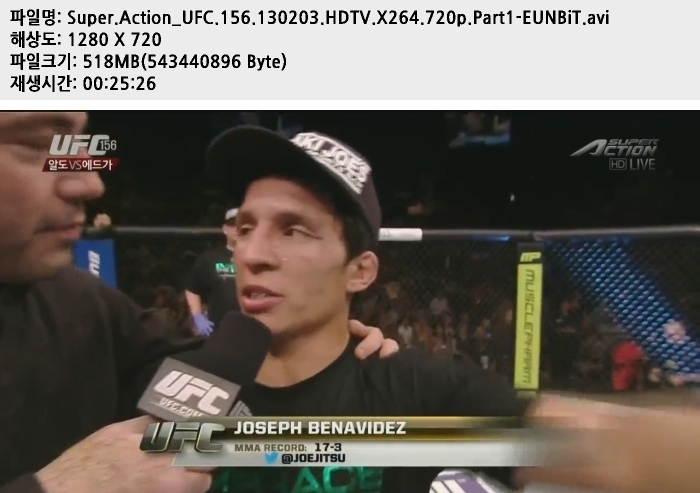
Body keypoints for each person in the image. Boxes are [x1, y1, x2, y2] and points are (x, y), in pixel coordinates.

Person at [0, 112, 398, 493]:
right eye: (36, 143)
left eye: (292, 231)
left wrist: (328, 349)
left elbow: (199, 375)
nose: (90, 182)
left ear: (360, 270)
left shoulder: (82, 306)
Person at [206, 127, 531, 493]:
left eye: (293, 231)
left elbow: (565, 447)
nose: (252, 255)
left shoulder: (412, 390)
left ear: (359, 271)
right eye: (245, 229)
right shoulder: (173, 377)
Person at [184, 207, 241, 336]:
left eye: (241, 225)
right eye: (232, 225)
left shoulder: (257, 258)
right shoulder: (210, 258)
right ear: (225, 229)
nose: (237, 229)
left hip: (252, 330)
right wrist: (197, 316)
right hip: (219, 330)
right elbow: (192, 289)